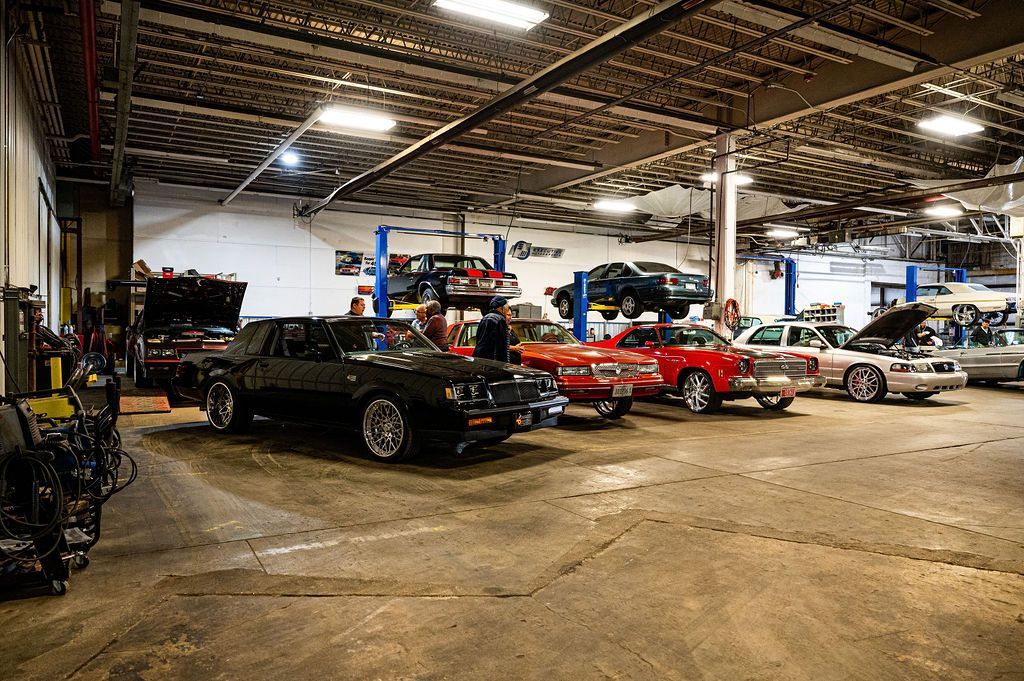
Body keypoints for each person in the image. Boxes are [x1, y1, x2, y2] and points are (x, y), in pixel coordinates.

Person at [473, 296, 512, 362]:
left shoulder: (485, 318)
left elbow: (478, 339)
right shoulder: (500, 320)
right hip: (492, 361)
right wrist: (504, 364)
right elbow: (502, 346)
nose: (507, 310)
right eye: (507, 308)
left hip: (479, 358)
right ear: (502, 308)